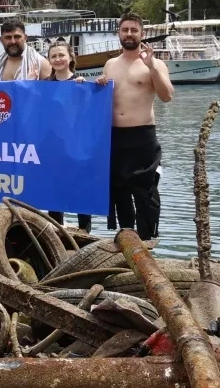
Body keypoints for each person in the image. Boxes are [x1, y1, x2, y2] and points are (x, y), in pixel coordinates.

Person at [95, 12, 174, 240]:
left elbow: (167, 96)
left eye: (134, 30)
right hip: (115, 136)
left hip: (143, 136)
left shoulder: (155, 64)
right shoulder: (110, 64)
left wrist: (152, 67)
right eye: (125, 30)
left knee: (145, 192)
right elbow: (102, 99)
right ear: (118, 33)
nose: (129, 34)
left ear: (142, 34)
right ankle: (127, 238)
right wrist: (98, 83)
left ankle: (147, 240)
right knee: (120, 191)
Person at [38, 42, 91, 232]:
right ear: (49, 60)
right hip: (53, 145)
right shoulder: (44, 85)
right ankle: (56, 231)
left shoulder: (81, 83)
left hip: (77, 146)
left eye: (61, 55)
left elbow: (91, 110)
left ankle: (85, 231)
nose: (58, 59)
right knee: (55, 190)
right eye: (53, 56)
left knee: (80, 188)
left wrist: (86, 89)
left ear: (70, 57)